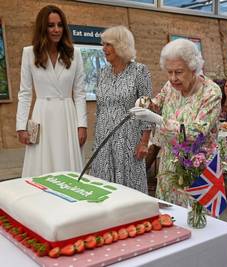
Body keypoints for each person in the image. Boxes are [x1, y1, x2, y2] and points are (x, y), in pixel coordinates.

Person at [131, 38, 222, 207]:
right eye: (169, 72)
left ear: (193, 68)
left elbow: (196, 133)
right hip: (169, 165)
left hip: (196, 168)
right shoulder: (170, 86)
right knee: (169, 215)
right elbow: (156, 104)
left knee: (196, 221)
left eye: (179, 72)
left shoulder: (211, 92)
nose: (173, 78)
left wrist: (157, 120)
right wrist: (144, 103)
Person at [16, 5, 87, 177]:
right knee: (42, 167)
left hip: (67, 116)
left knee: (68, 166)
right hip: (42, 115)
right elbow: (25, 93)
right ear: (43, 28)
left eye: (60, 25)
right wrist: (21, 126)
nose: (56, 30)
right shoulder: (29, 53)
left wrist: (82, 125)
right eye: (51, 25)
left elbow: (79, 93)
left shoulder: (74, 53)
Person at [89, 26, 152, 193]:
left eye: (108, 44)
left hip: (128, 140)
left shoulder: (140, 71)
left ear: (121, 45)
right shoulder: (102, 73)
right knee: (103, 188)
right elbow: (100, 108)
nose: (104, 49)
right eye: (103, 44)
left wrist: (144, 142)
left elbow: (146, 109)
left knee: (128, 189)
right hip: (103, 138)